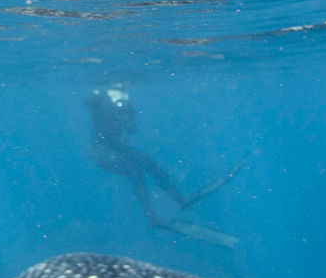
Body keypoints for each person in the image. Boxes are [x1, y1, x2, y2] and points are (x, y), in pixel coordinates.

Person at [85, 86, 242, 247]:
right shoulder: (100, 105)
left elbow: (131, 130)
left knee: (152, 166)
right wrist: (102, 102)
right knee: (135, 172)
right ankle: (151, 216)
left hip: (118, 148)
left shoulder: (123, 103)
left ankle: (180, 200)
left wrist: (126, 116)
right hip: (102, 153)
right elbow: (90, 105)